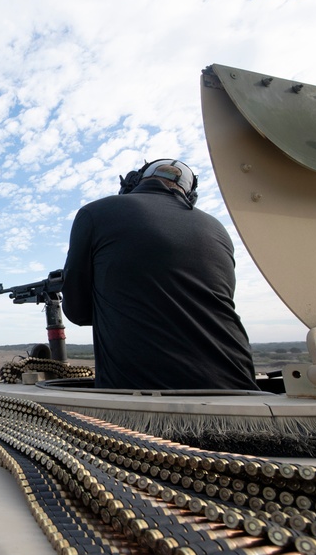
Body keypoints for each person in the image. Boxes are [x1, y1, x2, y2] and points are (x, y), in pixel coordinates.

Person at [61, 158, 258, 391]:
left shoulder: (95, 212)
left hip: (141, 391)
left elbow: (77, 311)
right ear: (190, 195)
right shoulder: (217, 228)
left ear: (133, 182)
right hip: (237, 385)